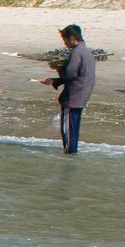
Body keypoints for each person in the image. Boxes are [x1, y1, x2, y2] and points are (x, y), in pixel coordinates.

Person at [43, 24, 94, 154]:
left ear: (72, 38)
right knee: (74, 128)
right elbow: (78, 75)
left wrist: (58, 69)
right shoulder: (87, 51)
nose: (65, 43)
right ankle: (72, 153)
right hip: (83, 94)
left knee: (68, 129)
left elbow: (70, 74)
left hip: (73, 97)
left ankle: (69, 154)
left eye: (65, 40)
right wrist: (56, 81)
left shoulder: (77, 52)